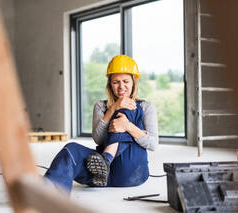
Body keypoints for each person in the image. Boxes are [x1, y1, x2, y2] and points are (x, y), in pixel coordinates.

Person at [44, 54, 158, 191]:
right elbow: (98, 139)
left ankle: (107, 158)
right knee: (71, 150)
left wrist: (127, 125)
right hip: (101, 175)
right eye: (116, 82)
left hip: (131, 171)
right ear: (110, 84)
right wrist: (113, 108)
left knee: (130, 107)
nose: (121, 86)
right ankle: (47, 193)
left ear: (133, 82)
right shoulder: (100, 106)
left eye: (126, 81)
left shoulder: (146, 106)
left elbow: (152, 143)